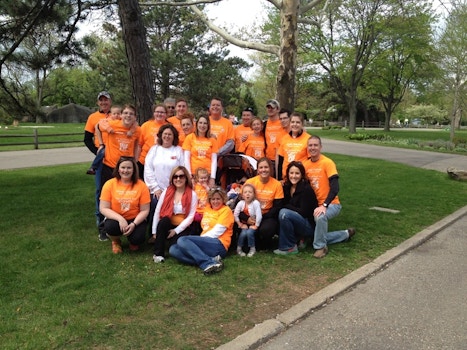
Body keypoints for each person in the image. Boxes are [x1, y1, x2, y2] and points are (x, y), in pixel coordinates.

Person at [302, 135, 356, 258]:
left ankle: (321, 247)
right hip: (314, 205)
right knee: (315, 234)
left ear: (321, 147)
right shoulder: (305, 165)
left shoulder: (327, 163)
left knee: (320, 217)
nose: (313, 147)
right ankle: (345, 234)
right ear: (307, 147)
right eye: (310, 145)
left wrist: (324, 205)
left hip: (331, 204)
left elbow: (335, 187)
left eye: (315, 145)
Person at [169, 187, 234, 275]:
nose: (215, 201)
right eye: (213, 199)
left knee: (182, 240)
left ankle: (208, 263)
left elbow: (217, 231)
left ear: (223, 199)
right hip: (206, 242)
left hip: (219, 244)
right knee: (173, 249)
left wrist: (198, 240)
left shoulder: (226, 210)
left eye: (218, 199)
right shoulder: (207, 209)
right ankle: (211, 260)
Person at [99, 156, 150, 254]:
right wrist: (120, 219)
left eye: (129, 168)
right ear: (118, 169)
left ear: (134, 169)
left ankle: (133, 241)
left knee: (138, 238)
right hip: (116, 218)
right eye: (123, 167)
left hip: (135, 219)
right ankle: (116, 241)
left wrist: (134, 224)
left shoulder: (141, 185)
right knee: (110, 227)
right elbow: (103, 208)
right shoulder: (109, 184)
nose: (125, 170)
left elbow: (145, 210)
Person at [144, 124, 184, 238]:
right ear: (160, 136)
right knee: (156, 205)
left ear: (174, 137)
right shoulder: (154, 150)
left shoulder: (178, 150)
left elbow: (182, 169)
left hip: (174, 189)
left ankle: (170, 234)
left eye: (170, 134)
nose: (167, 136)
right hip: (157, 190)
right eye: (165, 134)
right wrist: (155, 188)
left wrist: (177, 189)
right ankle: (153, 234)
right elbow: (148, 169)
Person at [152, 166, 198, 263]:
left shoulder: (192, 194)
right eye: (175, 177)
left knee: (175, 246)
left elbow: (190, 216)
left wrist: (176, 231)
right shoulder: (166, 192)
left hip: (182, 226)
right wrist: (154, 231)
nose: (178, 179)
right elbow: (157, 211)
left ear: (186, 178)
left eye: (181, 176)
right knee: (163, 221)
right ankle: (158, 254)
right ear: (172, 179)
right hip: (167, 222)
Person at [83, 91, 112, 239]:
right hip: (102, 159)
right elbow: (87, 139)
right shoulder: (93, 118)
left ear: (110, 102)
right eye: (101, 101)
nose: (103, 103)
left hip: (116, 159)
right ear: (98, 103)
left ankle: (115, 223)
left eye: (106, 100)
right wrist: (97, 152)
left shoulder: (116, 115)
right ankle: (101, 225)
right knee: (101, 191)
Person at [273, 161, 318, 255]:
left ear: (302, 175)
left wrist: (286, 207)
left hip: (308, 225)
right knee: (282, 213)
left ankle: (289, 247)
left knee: (284, 213)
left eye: (297, 173)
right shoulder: (287, 187)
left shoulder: (306, 189)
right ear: (288, 174)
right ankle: (345, 234)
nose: (294, 176)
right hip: (296, 222)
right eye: (291, 173)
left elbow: (304, 212)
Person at [97, 104, 141, 191]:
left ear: (135, 117)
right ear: (121, 115)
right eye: (125, 113)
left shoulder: (137, 130)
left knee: (125, 193)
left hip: (126, 168)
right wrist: (101, 143)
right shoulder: (113, 124)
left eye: (131, 114)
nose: (128, 116)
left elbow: (136, 146)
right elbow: (98, 125)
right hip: (110, 165)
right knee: (107, 193)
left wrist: (135, 160)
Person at [244, 157, 284, 249]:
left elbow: (277, 207)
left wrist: (261, 217)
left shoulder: (276, 184)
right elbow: (241, 202)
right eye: (261, 168)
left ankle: (264, 242)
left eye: (266, 167)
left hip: (267, 216)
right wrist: (247, 218)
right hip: (251, 215)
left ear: (270, 168)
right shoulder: (250, 182)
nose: (263, 170)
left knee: (266, 229)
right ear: (257, 170)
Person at [183, 114, 218, 188]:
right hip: (194, 175)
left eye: (205, 123)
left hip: (207, 175)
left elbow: (214, 160)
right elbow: (186, 158)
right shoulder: (190, 137)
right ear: (197, 124)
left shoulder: (212, 140)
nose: (202, 125)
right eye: (200, 123)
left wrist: (212, 177)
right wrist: (189, 175)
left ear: (208, 125)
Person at [86, 105, 123, 175]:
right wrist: (108, 129)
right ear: (111, 115)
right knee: (102, 152)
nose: (116, 115)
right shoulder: (108, 120)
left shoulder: (122, 121)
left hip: (118, 147)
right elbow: (99, 125)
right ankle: (93, 167)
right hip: (106, 145)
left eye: (118, 114)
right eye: (114, 114)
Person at [136, 104, 168, 178]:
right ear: (154, 113)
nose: (159, 114)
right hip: (144, 160)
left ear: (166, 114)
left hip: (161, 161)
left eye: (162, 112)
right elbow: (139, 145)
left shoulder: (169, 126)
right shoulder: (146, 125)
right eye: (157, 112)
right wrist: (136, 160)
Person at [276, 112, 309, 179]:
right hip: (286, 177)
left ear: (302, 124)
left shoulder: (308, 139)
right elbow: (281, 160)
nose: (295, 124)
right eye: (293, 122)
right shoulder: (284, 138)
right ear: (290, 123)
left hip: (300, 176)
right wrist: (279, 178)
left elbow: (310, 161)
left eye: (298, 122)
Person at [234, 183, 262, 257]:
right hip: (244, 224)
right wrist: (239, 224)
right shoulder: (240, 203)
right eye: (245, 192)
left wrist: (256, 225)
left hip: (253, 224)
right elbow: (235, 214)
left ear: (254, 194)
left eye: (250, 192)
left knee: (250, 233)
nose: (247, 194)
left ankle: (252, 249)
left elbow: (259, 215)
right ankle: (239, 248)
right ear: (242, 195)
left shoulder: (255, 203)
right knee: (243, 234)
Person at [263, 99, 287, 178]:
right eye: (268, 107)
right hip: (268, 159)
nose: (270, 109)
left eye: (272, 108)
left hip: (281, 158)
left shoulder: (283, 122)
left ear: (278, 109)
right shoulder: (265, 124)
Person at [193, 167, 210, 234]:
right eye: (201, 178)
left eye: (205, 178)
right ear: (197, 178)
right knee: (195, 222)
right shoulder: (196, 186)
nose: (203, 180)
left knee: (204, 224)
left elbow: (211, 194)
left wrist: (206, 187)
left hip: (205, 209)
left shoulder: (207, 186)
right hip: (197, 209)